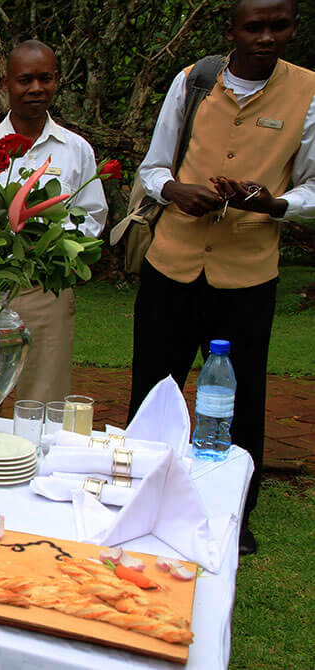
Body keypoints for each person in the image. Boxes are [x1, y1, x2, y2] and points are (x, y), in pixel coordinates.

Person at [128, 0, 314, 555]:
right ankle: (140, 493)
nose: (266, 37)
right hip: (172, 264)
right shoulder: (193, 82)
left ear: (293, 28)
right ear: (230, 29)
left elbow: (312, 186)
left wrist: (275, 204)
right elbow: (154, 166)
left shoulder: (307, 92)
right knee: (154, 388)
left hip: (247, 274)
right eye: (253, 26)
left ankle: (234, 511)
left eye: (278, 26)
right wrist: (173, 191)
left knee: (242, 396)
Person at [0, 40, 108, 404]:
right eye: (25, 80)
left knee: (44, 400)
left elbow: (93, 215)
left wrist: (53, 248)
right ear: (4, 84)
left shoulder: (75, 149)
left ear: (56, 80)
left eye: (45, 79)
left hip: (47, 289)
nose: (35, 89)